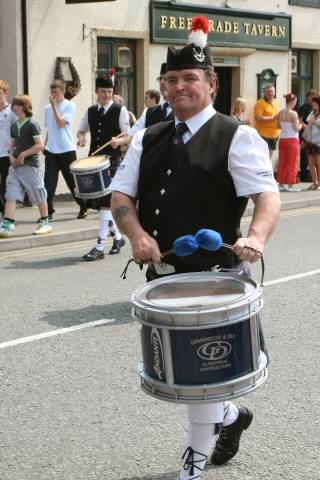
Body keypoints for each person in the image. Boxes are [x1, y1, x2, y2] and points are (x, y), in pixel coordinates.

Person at [110, 15, 281, 480]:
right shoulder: (147, 138)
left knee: (203, 379)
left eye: (190, 78)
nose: (180, 86)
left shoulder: (237, 135)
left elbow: (268, 196)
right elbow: (121, 197)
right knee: (187, 373)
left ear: (211, 84)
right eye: (172, 79)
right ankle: (230, 417)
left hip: (218, 276)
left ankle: (194, 466)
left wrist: (256, 237)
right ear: (164, 86)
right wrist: (138, 235)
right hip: (165, 278)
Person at [77, 76, 130, 261]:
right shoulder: (91, 111)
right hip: (94, 162)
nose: (107, 95)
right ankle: (117, 238)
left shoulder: (120, 110)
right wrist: (82, 137)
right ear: (97, 92)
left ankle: (99, 246)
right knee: (101, 205)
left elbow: (128, 136)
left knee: (106, 204)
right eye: (103, 91)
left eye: (109, 91)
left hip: (112, 162)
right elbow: (81, 130)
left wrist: (119, 141)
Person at [0, 95, 52, 237]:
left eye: (16, 103)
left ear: (23, 106)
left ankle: (45, 222)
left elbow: (40, 145)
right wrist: (11, 156)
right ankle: (7, 224)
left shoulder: (32, 124)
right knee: (10, 193)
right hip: (16, 167)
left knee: (38, 193)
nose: (13, 106)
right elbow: (12, 146)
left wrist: (24, 154)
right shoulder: (14, 126)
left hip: (31, 167)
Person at [44, 79, 87, 220]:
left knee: (72, 182)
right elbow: (50, 128)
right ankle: (48, 212)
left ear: (63, 91)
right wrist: (45, 144)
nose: (53, 94)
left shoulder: (70, 106)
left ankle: (83, 206)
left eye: (56, 92)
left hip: (67, 150)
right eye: (52, 92)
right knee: (48, 183)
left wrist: (54, 107)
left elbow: (61, 124)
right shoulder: (47, 108)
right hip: (51, 150)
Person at [130, 63, 174, 136]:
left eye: (166, 79)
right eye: (160, 78)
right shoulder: (148, 112)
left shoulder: (182, 110)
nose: (162, 82)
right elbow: (133, 134)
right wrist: (121, 140)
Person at [277, 93, 302, 192]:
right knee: (292, 162)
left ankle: (282, 183)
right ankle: (291, 184)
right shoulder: (293, 113)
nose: (295, 103)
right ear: (292, 101)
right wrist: (300, 125)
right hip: (292, 140)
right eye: (295, 101)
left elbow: (278, 126)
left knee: (282, 162)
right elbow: (296, 129)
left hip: (282, 139)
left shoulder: (280, 112)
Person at [0, 80, 17, 218]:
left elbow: (17, 132)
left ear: (5, 93)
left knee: (5, 187)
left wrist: (14, 151)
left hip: (6, 154)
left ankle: (6, 216)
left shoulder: (11, 111)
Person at [254, 84, 281, 158]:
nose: (270, 93)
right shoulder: (260, 103)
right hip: (263, 134)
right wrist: (273, 118)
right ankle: (262, 169)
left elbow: (278, 116)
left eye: (271, 91)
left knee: (270, 155)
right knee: (262, 155)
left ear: (274, 92)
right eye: (268, 91)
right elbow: (257, 118)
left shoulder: (277, 102)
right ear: (264, 93)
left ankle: (267, 169)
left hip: (275, 134)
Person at [298, 89, 317, 182]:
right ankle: (303, 176)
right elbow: (300, 121)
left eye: (314, 96)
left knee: (313, 156)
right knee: (304, 156)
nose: (312, 98)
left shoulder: (314, 109)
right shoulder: (303, 107)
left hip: (314, 136)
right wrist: (307, 128)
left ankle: (313, 177)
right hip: (304, 135)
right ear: (308, 96)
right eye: (311, 96)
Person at [303, 95, 320, 190]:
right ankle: (315, 182)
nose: (312, 104)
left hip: (318, 142)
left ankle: (319, 184)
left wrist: (314, 122)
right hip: (310, 141)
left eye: (314, 102)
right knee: (310, 163)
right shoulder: (312, 113)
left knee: (318, 163)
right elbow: (308, 125)